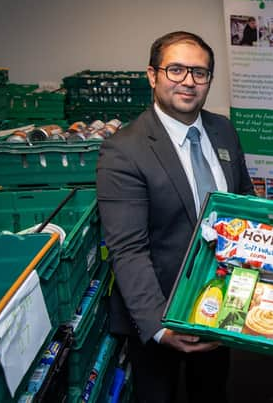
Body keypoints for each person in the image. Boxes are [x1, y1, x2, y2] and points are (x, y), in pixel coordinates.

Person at [96, 31, 254, 403]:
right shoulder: (123, 151)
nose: (188, 81)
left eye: (199, 73)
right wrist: (159, 327)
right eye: (176, 69)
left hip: (218, 303)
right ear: (153, 75)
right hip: (160, 312)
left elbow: (245, 201)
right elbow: (128, 249)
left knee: (212, 391)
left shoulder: (223, 130)